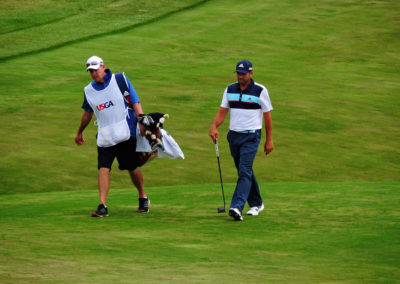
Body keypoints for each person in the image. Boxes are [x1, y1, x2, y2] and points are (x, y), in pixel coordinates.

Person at [75, 55, 150, 217]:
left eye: (95, 70)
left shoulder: (120, 79)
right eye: (90, 71)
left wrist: (142, 123)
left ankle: (142, 196)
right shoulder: (89, 91)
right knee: (103, 168)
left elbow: (135, 102)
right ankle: (102, 205)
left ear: (103, 67)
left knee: (132, 167)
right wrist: (80, 131)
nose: (94, 73)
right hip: (105, 137)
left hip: (125, 133)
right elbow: (87, 114)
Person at [209, 60, 274, 221]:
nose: (240, 76)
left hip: (251, 136)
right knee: (245, 171)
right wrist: (214, 126)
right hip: (234, 136)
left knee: (244, 171)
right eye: (238, 73)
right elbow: (222, 112)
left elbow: (267, 116)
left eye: (243, 74)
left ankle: (236, 206)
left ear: (251, 73)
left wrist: (269, 140)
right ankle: (257, 203)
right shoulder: (230, 89)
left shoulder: (260, 90)